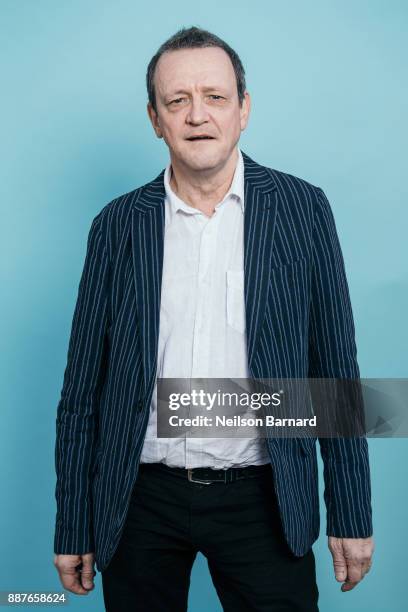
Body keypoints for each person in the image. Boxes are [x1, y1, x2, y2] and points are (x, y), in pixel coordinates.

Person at [53, 26, 374, 611]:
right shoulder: (117, 225)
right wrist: (73, 523)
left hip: (265, 499)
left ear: (244, 109)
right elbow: (81, 393)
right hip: (139, 499)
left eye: (216, 97)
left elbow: (336, 379)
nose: (198, 115)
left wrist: (351, 513)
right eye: (178, 100)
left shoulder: (304, 210)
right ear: (156, 118)